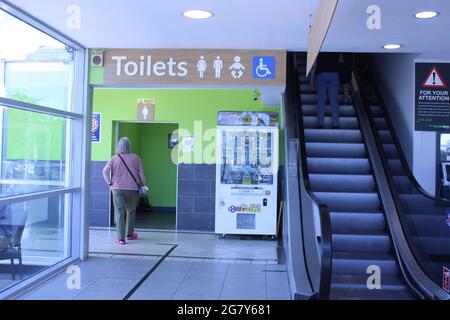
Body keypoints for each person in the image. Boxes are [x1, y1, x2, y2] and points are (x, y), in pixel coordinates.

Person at [103, 137, 147, 245]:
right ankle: (130, 234)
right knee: (131, 212)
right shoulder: (136, 158)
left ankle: (121, 239)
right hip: (132, 189)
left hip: (117, 189)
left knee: (119, 213)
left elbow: (104, 172)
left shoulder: (114, 158)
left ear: (119, 146)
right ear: (129, 146)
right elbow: (141, 173)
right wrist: (144, 185)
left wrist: (110, 184)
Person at [310, 52, 340, 129]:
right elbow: (341, 61)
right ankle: (335, 123)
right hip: (334, 73)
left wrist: (311, 81)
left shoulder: (318, 49)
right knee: (333, 99)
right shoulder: (336, 49)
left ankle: (320, 123)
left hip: (321, 74)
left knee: (321, 99)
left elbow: (314, 65)